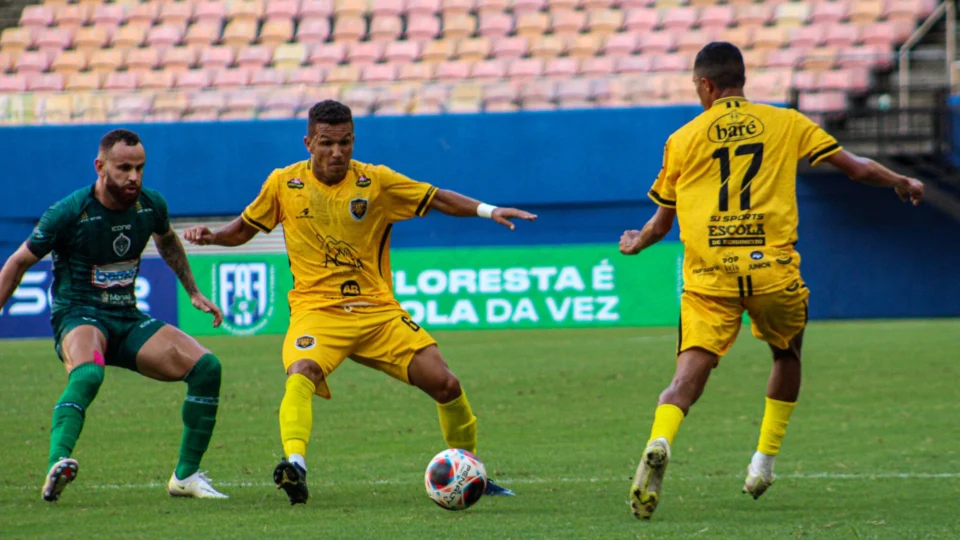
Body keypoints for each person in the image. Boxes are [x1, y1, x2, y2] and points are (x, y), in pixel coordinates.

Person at [618, 42, 925, 520]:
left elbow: (660, 226)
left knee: (685, 379)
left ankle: (661, 438)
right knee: (787, 353)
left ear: (706, 85)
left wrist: (635, 243)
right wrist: (899, 181)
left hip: (709, 278)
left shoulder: (683, 138)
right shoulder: (787, 122)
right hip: (772, 272)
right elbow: (856, 169)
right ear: (741, 79)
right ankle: (762, 463)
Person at [184, 100, 537, 505]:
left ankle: (471, 471)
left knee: (446, 383)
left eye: (345, 142)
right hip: (317, 312)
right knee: (301, 371)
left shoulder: (376, 182)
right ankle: (295, 466)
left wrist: (488, 211)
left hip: (377, 313)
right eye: (327, 143)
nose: (337, 152)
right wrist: (212, 237)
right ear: (308, 143)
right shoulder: (284, 183)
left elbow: (436, 197)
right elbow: (245, 228)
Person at [0, 129, 230, 502]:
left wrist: (193, 291)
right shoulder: (69, 212)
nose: (134, 177)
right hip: (79, 315)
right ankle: (58, 464)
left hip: (126, 317)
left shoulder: (150, 205)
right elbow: (18, 261)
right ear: (100, 166)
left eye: (140, 168)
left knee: (207, 368)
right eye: (124, 168)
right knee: (89, 372)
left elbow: (167, 239)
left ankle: (185, 478)